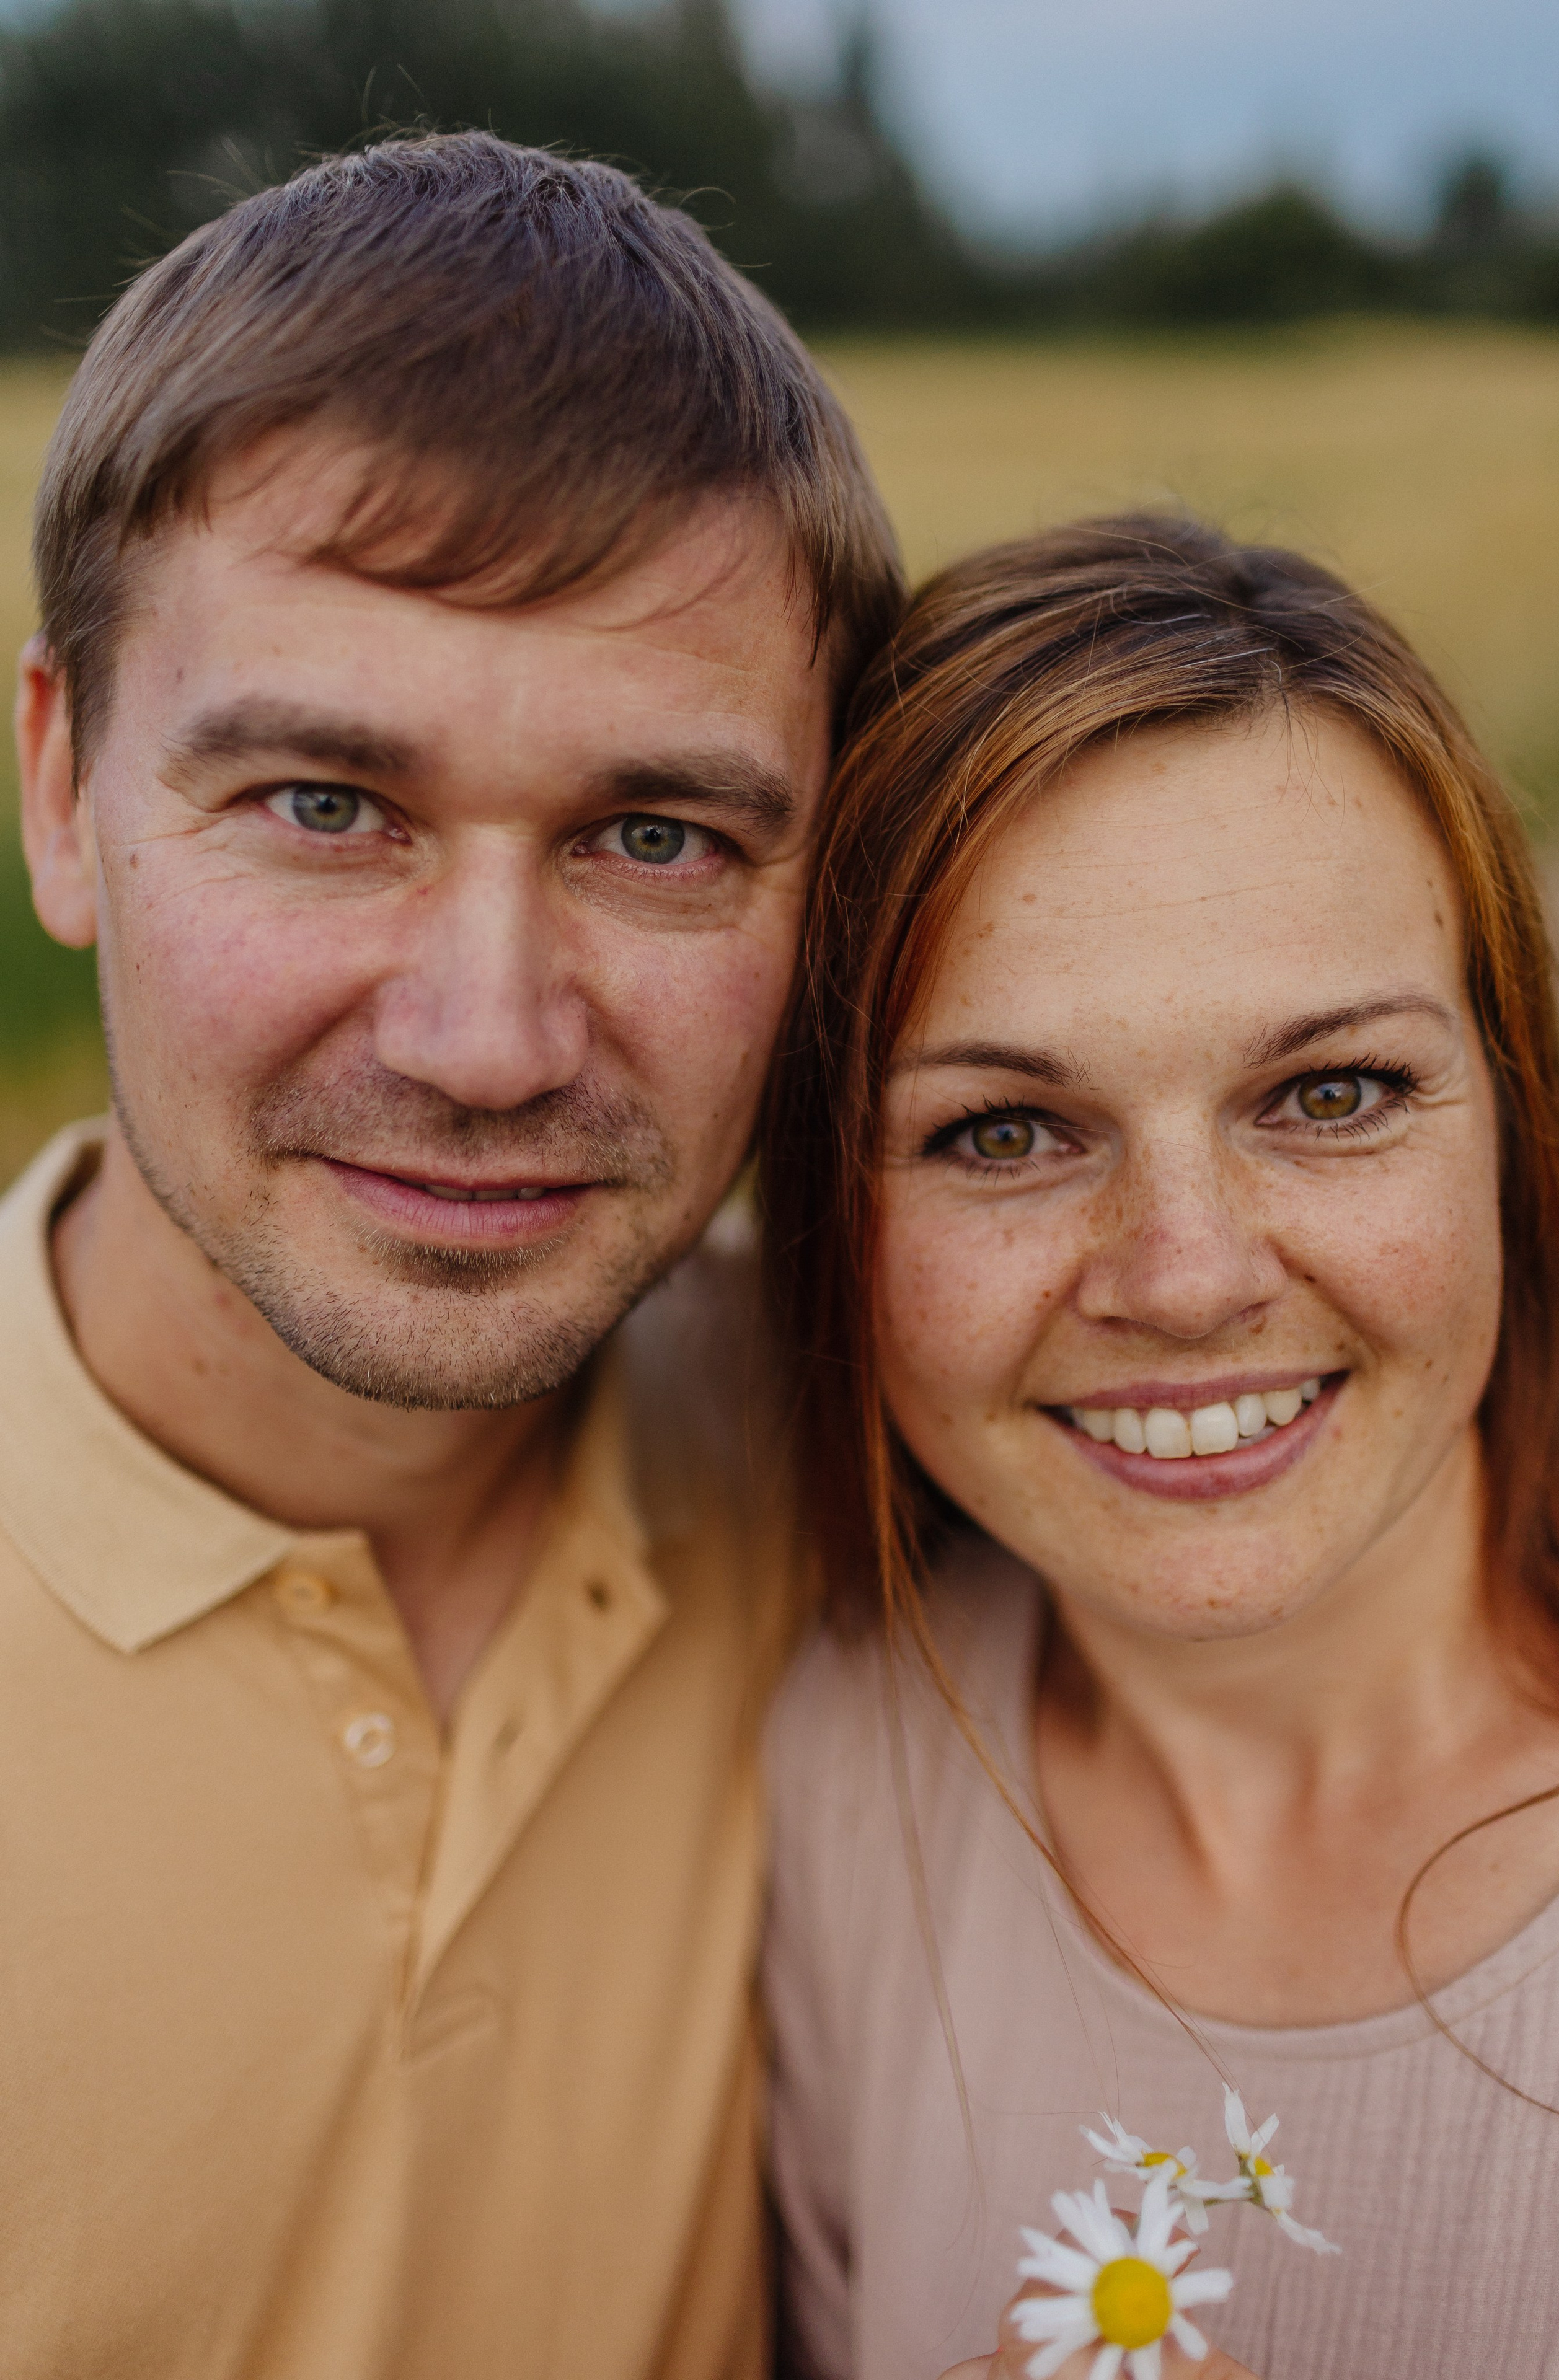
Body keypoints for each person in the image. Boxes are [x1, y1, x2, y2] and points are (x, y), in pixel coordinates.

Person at [1, 131, 902, 2378]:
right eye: (325, 806)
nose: (488, 1039)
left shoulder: (892, 1470)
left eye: (657, 835)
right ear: (60, 788)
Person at [759, 518, 1559, 2380]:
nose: (1188, 1278)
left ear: (1514, 1122)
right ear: (833, 1218)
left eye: (1332, 1094)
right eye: (1004, 1132)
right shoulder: (839, 1786)